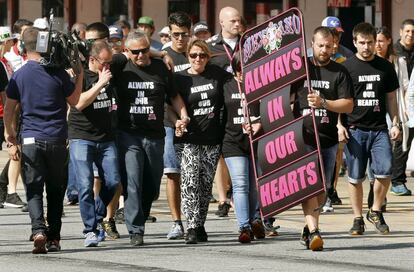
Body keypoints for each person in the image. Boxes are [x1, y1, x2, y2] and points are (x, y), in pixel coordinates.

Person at [4, 26, 83, 253]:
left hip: (30, 139)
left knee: (34, 189)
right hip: (57, 138)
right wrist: (78, 75)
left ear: (23, 47)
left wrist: (10, 138)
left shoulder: (19, 75)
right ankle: (54, 238)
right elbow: (75, 101)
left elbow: (9, 111)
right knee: (56, 190)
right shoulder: (58, 73)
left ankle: (38, 229)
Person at [113, 30, 188, 246]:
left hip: (156, 135)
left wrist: (183, 116)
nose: (140, 56)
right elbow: (108, 55)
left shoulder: (160, 68)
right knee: (133, 181)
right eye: (135, 52)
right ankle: (136, 229)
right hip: (129, 134)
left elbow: (173, 95)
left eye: (144, 51)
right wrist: (159, 52)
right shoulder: (121, 65)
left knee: (152, 185)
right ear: (128, 51)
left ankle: (141, 213)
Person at [291, 26, 354, 251]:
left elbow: (348, 104)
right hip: (304, 137)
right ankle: (315, 231)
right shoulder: (301, 68)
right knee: (311, 187)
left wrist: (324, 103)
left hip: (327, 139)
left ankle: (308, 228)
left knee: (324, 188)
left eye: (329, 46)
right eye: (320, 46)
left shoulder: (339, 72)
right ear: (312, 44)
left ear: (334, 46)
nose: (324, 50)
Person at [341, 22, 400, 236]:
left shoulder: (385, 66)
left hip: (379, 130)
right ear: (355, 42)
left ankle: (375, 210)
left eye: (370, 43)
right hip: (354, 129)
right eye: (362, 43)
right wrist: (340, 125)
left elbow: (392, 97)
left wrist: (396, 122)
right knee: (355, 178)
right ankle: (357, 218)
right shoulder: (347, 68)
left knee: (385, 172)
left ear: (376, 43)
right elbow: (341, 99)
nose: (366, 47)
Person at [173, 39, 229, 244]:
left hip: (212, 140)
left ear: (208, 57)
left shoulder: (217, 74)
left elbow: (236, 82)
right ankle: (192, 227)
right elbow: (170, 104)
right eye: (194, 55)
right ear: (188, 56)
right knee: (189, 183)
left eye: (203, 55)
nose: (198, 59)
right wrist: (178, 121)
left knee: (205, 186)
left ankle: (200, 224)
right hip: (189, 139)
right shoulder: (180, 78)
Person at [68, 41, 120, 247]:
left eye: (110, 62)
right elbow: (78, 103)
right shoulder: (80, 75)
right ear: (92, 59)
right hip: (81, 136)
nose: (108, 66)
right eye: (104, 62)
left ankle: (98, 216)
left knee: (114, 180)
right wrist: (100, 83)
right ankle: (90, 230)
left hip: (106, 138)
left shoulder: (110, 71)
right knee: (84, 184)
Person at [222, 54, 266, 243]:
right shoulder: (226, 85)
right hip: (232, 141)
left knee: (254, 186)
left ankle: (256, 218)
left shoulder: (261, 84)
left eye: (246, 70)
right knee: (240, 184)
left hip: (256, 140)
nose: (242, 74)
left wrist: (260, 123)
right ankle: (244, 226)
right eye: (238, 70)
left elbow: (273, 108)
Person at [208, 6, 242, 218]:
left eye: (239, 21)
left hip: (244, 102)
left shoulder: (249, 44)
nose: (238, 25)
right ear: (222, 23)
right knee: (221, 152)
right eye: (233, 22)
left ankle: (238, 194)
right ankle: (222, 198)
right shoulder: (212, 46)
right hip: (220, 103)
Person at [163, 12, 192, 240]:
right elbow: (163, 97)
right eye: (175, 34)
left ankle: (194, 221)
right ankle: (176, 222)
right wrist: (176, 120)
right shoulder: (164, 57)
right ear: (169, 32)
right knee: (173, 173)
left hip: (197, 123)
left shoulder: (197, 53)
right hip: (170, 123)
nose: (180, 39)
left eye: (184, 34)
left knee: (193, 175)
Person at [0, 26, 27, 210]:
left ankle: (7, 189)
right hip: (4, 113)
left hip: (8, 112)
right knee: (15, 147)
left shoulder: (5, 61)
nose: (13, 43)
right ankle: (9, 191)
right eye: (10, 40)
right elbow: (5, 93)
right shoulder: (3, 62)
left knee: (17, 149)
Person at [391, 19, 414, 196]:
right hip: (398, 102)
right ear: (400, 32)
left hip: (412, 102)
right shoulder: (394, 53)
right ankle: (397, 181)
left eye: (413, 32)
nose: (410, 35)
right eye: (407, 31)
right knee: (402, 141)